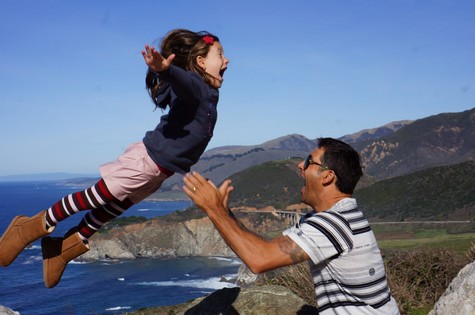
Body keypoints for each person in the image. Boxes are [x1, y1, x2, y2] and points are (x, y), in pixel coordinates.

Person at [0, 28, 229, 288]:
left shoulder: (210, 94)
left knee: (114, 208)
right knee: (99, 195)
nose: (226, 60)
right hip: (147, 160)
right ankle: (31, 226)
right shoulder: (196, 87)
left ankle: (64, 248)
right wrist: (164, 71)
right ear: (200, 63)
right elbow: (183, 83)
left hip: (160, 170)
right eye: (220, 54)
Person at [183, 138, 400, 315]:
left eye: (309, 161)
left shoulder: (333, 223)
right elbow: (262, 249)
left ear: (327, 176)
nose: (299, 165)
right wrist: (224, 212)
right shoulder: (335, 217)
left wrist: (214, 210)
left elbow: (259, 260)